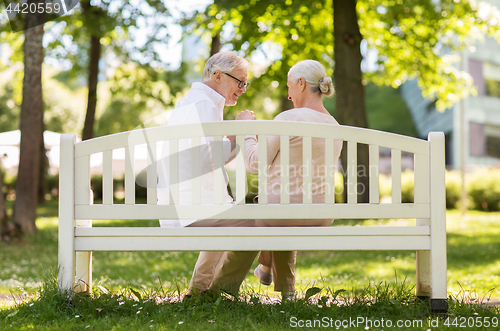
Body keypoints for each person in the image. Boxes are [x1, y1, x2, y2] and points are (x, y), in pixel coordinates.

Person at [210, 60, 343, 299]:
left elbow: (254, 164)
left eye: (289, 86)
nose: (289, 95)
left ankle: (220, 292)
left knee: (259, 218)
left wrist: (246, 130)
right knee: (282, 211)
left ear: (301, 84)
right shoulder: (334, 125)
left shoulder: (288, 118)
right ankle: (286, 291)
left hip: (282, 213)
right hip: (322, 214)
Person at [157, 51, 255, 296]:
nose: (243, 89)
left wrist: (236, 136)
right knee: (258, 221)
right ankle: (219, 290)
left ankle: (200, 291)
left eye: (245, 83)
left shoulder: (200, 103)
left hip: (189, 203)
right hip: (190, 207)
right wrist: (237, 132)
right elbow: (208, 159)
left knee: (236, 219)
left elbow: (213, 159)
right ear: (218, 75)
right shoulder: (203, 106)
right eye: (240, 81)